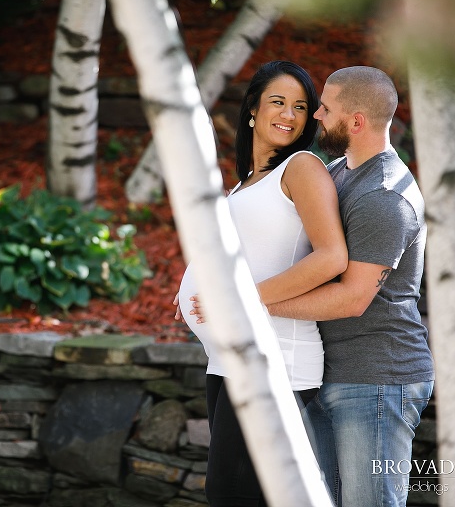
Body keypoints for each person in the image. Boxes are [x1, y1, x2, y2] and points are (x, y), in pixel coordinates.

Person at [173, 60, 348, 507]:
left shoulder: (303, 168)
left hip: (276, 360)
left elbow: (332, 257)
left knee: (230, 493)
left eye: (301, 107)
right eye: (278, 102)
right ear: (252, 107)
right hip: (227, 359)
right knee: (242, 493)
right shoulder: (247, 183)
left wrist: (239, 303)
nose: (289, 115)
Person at [265, 66, 435, 507]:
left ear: (356, 121)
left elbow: (354, 297)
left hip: (377, 381)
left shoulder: (384, 197)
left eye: (326, 107)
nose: (316, 115)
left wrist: (250, 302)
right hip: (329, 372)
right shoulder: (339, 172)